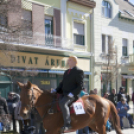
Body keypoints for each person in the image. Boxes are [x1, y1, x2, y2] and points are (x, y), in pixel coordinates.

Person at [51, 56, 84, 131]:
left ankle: (67, 124)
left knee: (63, 103)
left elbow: (80, 86)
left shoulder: (79, 71)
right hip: (64, 93)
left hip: (72, 94)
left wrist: (72, 93)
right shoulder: (66, 72)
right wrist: (56, 90)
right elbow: (62, 84)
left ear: (75, 62)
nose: (68, 62)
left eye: (70, 60)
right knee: (54, 101)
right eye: (68, 60)